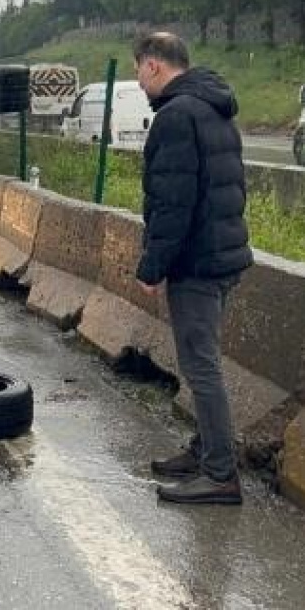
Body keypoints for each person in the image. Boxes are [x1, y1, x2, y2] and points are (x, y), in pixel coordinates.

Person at [134, 31, 253, 506]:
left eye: (138, 70)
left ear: (155, 66)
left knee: (201, 366)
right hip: (225, 256)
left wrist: (152, 265)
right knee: (204, 358)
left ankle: (221, 474)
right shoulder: (214, 107)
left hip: (198, 263)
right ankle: (205, 451)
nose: (139, 81)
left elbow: (173, 201)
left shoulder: (177, 115)